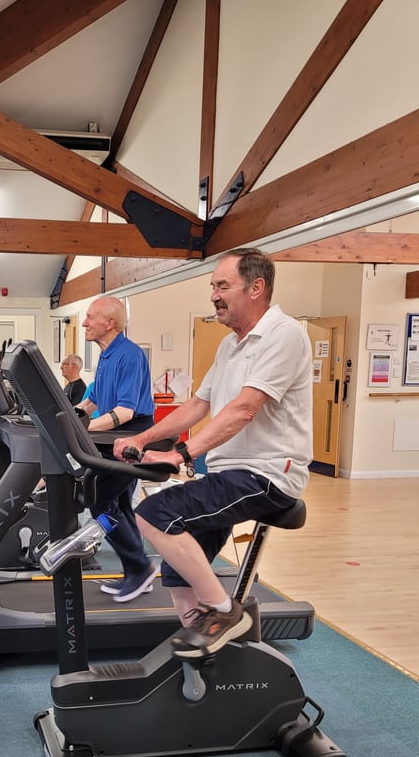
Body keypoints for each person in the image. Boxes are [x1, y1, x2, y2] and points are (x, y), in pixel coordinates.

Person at [113, 247, 312, 657]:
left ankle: (225, 612)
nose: (214, 295)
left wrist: (181, 455)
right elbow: (197, 405)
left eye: (223, 286)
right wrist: (144, 439)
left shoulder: (284, 334)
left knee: (153, 515)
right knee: (175, 573)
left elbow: (244, 408)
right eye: (213, 286)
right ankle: (207, 655)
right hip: (230, 472)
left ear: (256, 288)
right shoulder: (230, 346)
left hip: (268, 474)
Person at [75, 296, 157, 603]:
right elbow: (91, 402)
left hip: (130, 435)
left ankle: (140, 567)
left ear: (109, 323)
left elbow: (125, 411)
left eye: (90, 317)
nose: (85, 322)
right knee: (120, 506)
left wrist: (82, 427)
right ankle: (136, 571)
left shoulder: (130, 355)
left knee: (98, 503)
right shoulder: (107, 356)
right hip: (114, 437)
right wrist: (66, 416)